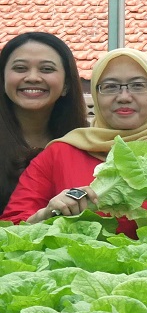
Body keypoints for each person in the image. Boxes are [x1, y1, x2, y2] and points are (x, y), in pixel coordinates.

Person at [1, 48, 147, 238]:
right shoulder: (58, 154)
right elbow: (10, 230)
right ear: (96, 95)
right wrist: (46, 214)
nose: (124, 96)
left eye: (137, 85)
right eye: (110, 86)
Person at [0, 32, 88, 213]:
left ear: (66, 85)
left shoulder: (88, 142)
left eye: (47, 69)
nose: (33, 77)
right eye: (20, 68)